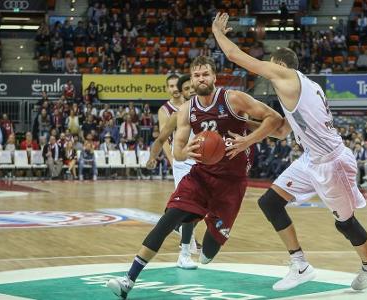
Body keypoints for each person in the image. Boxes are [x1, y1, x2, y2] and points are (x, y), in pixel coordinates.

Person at [212, 12, 367, 292]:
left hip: (332, 162)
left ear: (279, 65)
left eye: (270, 66)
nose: (267, 71)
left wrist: (217, 33)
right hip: (311, 159)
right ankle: (300, 265)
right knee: (270, 202)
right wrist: (243, 129)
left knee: (345, 223)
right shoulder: (301, 88)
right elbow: (280, 130)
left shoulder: (288, 76)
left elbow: (235, 56)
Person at [107, 55, 283, 298]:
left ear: (214, 77)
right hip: (201, 175)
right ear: (191, 79)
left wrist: (247, 141)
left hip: (231, 183)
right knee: (168, 220)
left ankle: (210, 232)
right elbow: (178, 149)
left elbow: (275, 119)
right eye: (196, 75)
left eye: (205, 74)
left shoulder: (233, 98)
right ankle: (128, 280)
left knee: (208, 254)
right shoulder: (187, 110)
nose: (201, 79)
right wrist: (183, 152)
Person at [147, 74, 199, 269]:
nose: (188, 90)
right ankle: (184, 252)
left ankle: (177, 223)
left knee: (204, 208)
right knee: (188, 207)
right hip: (183, 162)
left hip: (203, 163)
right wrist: (154, 157)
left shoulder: (210, 109)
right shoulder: (172, 112)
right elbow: (162, 139)